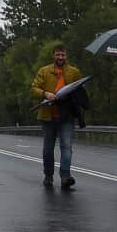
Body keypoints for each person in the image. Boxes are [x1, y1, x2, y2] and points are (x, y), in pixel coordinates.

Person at [31, 44, 82, 189]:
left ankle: (65, 176)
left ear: (66, 56)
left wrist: (71, 96)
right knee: (48, 149)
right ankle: (48, 175)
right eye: (58, 55)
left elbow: (80, 90)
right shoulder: (44, 71)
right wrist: (45, 93)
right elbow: (33, 88)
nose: (60, 57)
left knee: (67, 147)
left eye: (63, 55)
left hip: (67, 116)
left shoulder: (74, 72)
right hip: (48, 116)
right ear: (53, 56)